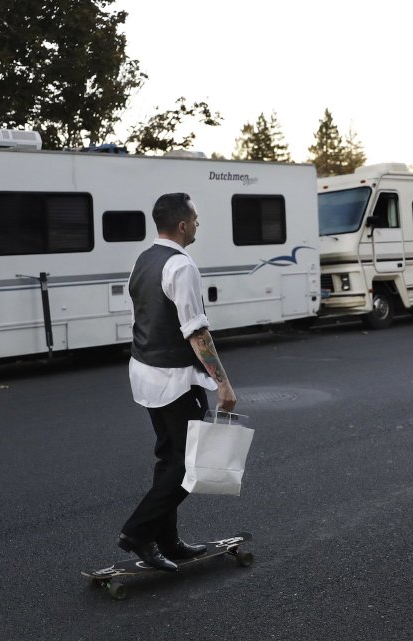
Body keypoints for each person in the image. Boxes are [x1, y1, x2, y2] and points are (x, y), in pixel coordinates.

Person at [118, 192, 237, 572]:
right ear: (183, 225)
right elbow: (196, 332)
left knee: (170, 457)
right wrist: (223, 383)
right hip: (175, 379)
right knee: (190, 464)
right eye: (196, 218)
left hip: (145, 374)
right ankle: (138, 532)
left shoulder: (145, 259)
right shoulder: (182, 266)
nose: (199, 224)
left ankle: (166, 540)